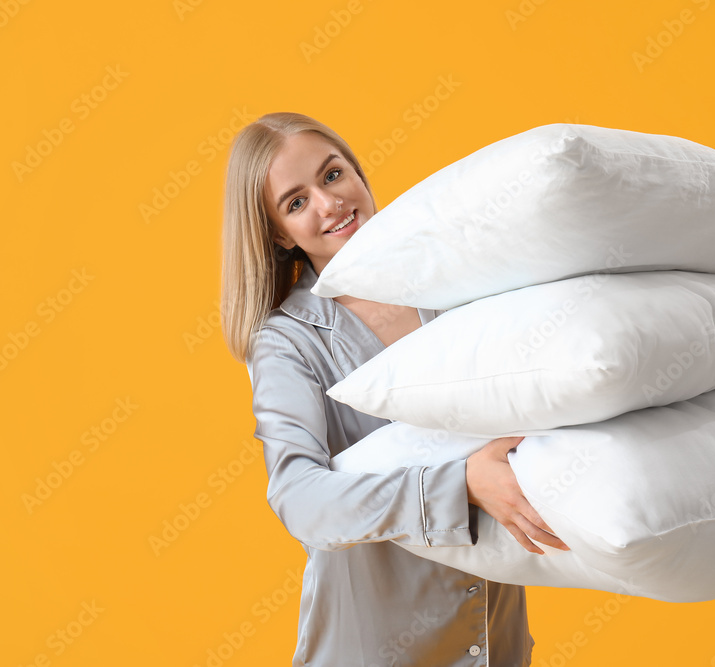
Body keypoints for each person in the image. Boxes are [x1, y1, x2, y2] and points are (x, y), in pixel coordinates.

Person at [219, 112, 570, 666]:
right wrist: (459, 487)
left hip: (496, 645)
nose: (328, 203)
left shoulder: (455, 284)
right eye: (296, 202)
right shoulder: (287, 342)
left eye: (332, 175)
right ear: (278, 235)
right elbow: (299, 498)